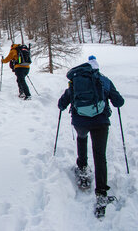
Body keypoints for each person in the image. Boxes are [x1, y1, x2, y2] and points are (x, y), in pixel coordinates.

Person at [58, 56, 124, 216]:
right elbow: (118, 102)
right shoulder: (103, 80)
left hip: (80, 121)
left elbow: (62, 103)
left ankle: (82, 170)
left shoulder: (75, 81)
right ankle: (101, 193)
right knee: (100, 155)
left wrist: (63, 105)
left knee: (82, 139)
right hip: (101, 122)